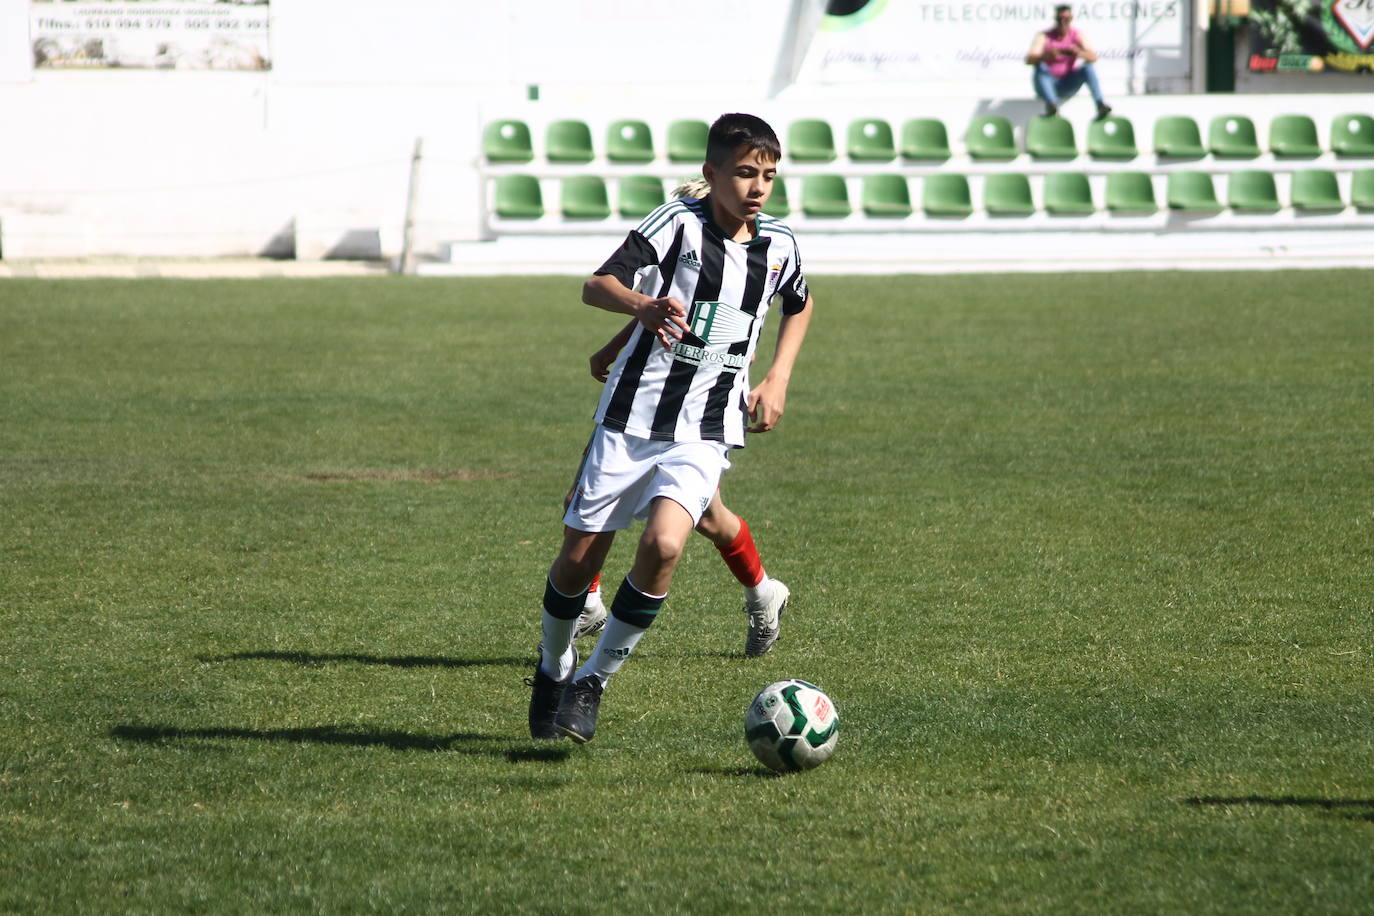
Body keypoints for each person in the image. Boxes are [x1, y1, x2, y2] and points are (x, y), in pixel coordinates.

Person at [527, 112, 814, 743]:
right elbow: (598, 284)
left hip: (707, 426)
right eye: (744, 173)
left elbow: (799, 303)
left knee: (664, 546)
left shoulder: (781, 246)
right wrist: (639, 310)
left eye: (768, 174)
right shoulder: (677, 224)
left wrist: (778, 377)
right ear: (711, 175)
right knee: (576, 566)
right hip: (631, 417)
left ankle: (593, 682)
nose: (758, 186)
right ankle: (552, 669)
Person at [1025, 5, 1112, 119]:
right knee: (1040, 67)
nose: (1062, 22)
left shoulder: (1076, 35)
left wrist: (1078, 53)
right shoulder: (1044, 36)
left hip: (1067, 83)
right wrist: (1047, 55)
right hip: (1048, 84)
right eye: (1059, 19)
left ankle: (1100, 104)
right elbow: (1029, 59)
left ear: (1071, 19)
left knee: (1088, 67)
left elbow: (1093, 57)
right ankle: (1052, 105)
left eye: (1066, 19)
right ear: (1055, 19)